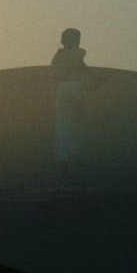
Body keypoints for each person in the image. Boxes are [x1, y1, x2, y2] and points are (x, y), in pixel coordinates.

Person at [51, 27, 88, 178]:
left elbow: (54, 73)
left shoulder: (58, 56)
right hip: (76, 87)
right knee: (77, 122)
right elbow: (82, 67)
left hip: (61, 89)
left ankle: (62, 159)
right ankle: (76, 154)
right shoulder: (80, 53)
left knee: (62, 124)